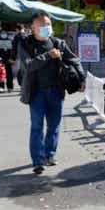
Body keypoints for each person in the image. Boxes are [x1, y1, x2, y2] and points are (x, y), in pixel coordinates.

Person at [18, 12, 85, 175]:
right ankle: (37, 161)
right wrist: (49, 55)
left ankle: (49, 155)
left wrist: (81, 78)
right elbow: (29, 65)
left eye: (48, 25)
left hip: (56, 90)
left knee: (54, 126)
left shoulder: (57, 43)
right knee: (37, 127)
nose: (46, 28)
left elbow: (74, 59)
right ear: (32, 28)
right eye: (41, 25)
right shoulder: (25, 44)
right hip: (36, 92)